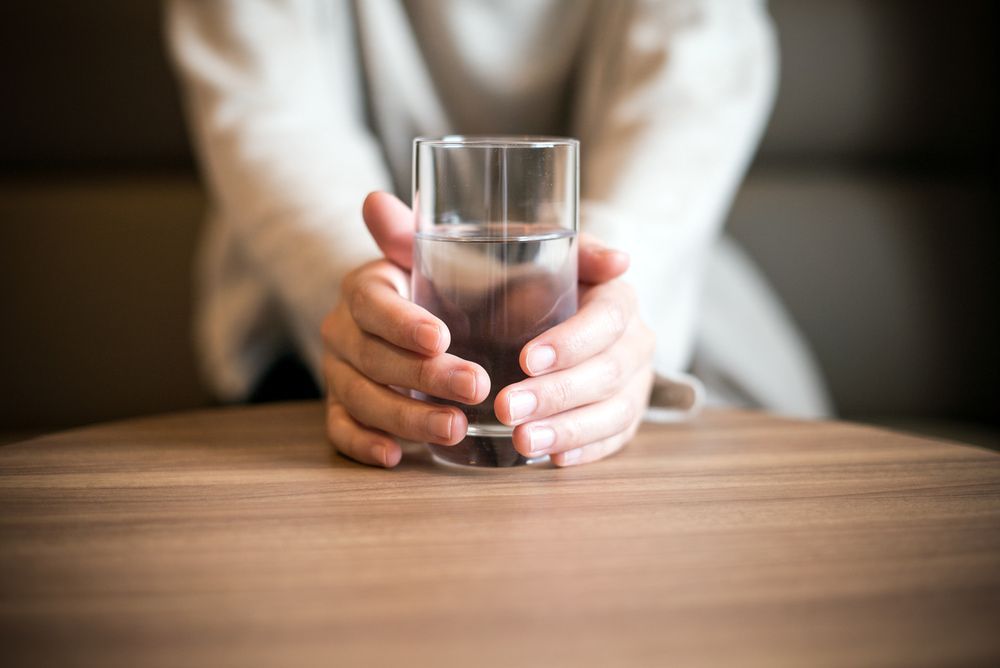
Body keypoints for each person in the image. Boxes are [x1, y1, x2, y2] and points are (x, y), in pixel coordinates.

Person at [166, 0, 831, 468]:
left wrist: (601, 303)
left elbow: (695, 78)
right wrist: (374, 291)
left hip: (640, 283)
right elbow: (268, 113)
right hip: (328, 309)